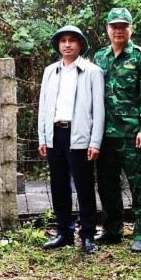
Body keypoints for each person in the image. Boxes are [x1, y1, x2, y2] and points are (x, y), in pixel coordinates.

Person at [37, 25, 105, 254]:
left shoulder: (92, 71)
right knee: (58, 185)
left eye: (72, 40)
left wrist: (95, 142)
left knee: (84, 186)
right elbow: (44, 107)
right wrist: (43, 138)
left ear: (80, 45)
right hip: (55, 134)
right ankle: (64, 232)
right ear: (58, 45)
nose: (67, 44)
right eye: (63, 40)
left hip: (80, 136)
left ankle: (87, 234)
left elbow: (99, 109)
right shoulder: (50, 71)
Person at [93, 8, 141, 253]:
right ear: (108, 29)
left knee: (138, 185)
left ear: (130, 28)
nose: (118, 31)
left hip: (132, 134)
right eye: (114, 26)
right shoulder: (100, 57)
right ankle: (112, 229)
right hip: (105, 135)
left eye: (123, 26)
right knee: (107, 184)